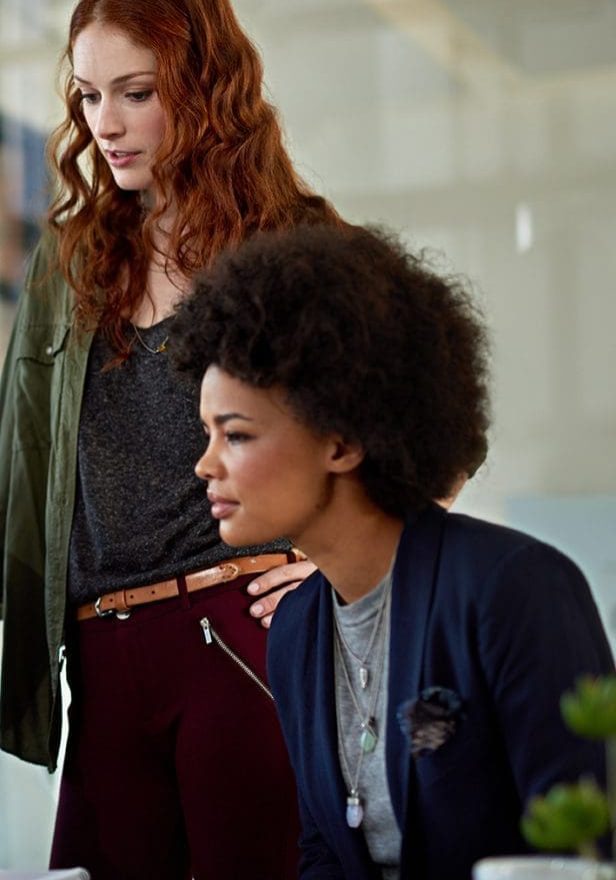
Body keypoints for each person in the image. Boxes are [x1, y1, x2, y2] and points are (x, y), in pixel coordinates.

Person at [0, 1, 344, 877]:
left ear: (203, 87)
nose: (104, 125)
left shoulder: (294, 243)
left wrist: (333, 561)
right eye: (85, 96)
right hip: (100, 657)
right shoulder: (71, 257)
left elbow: (432, 434)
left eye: (136, 92)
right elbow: (24, 459)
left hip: (241, 636)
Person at [170, 222, 615, 880]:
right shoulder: (296, 631)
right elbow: (324, 852)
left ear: (344, 442)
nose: (205, 465)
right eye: (208, 433)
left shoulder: (515, 588)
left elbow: (584, 848)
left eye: (234, 435)